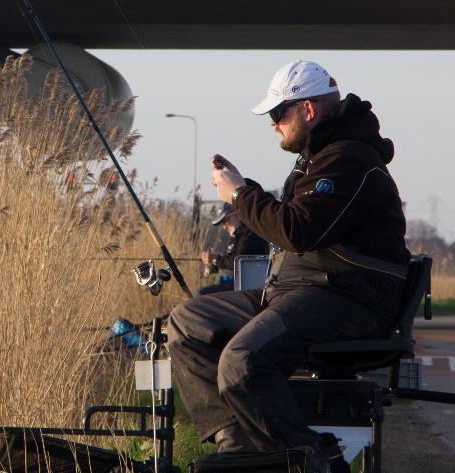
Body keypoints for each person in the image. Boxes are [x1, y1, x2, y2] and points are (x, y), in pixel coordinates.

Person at [167, 60, 411, 471]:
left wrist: (241, 194)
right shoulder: (321, 157)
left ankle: (307, 458)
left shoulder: (348, 159)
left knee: (242, 360)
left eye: (279, 114)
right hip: (302, 293)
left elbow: (299, 232)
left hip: (347, 300)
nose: (274, 124)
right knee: (188, 321)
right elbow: (292, 224)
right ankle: (241, 447)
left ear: (308, 110)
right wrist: (245, 193)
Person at [198, 203, 270, 295]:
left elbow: (238, 262)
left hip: (244, 288)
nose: (224, 226)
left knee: (201, 294)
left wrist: (215, 259)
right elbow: (230, 260)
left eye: (226, 220)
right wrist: (213, 264)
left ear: (238, 215)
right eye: (222, 223)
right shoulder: (238, 235)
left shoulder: (249, 235)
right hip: (233, 284)